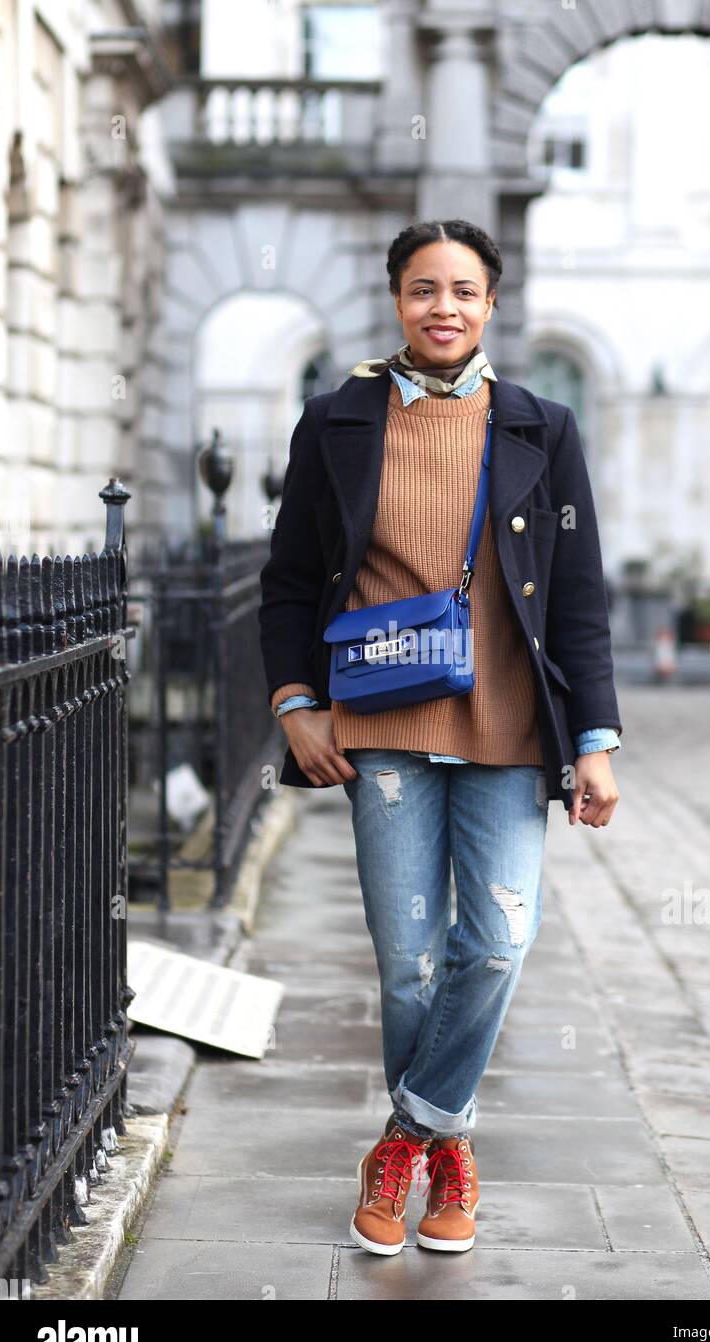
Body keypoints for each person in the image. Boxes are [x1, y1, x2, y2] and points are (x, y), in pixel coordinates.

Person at [258, 219, 622, 1257]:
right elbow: (287, 583)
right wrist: (295, 702)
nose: (443, 308)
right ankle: (451, 1157)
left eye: (463, 290)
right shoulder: (335, 420)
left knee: (498, 939)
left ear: (491, 304)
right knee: (409, 964)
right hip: (377, 727)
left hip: (510, 727)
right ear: (396, 300)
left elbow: (580, 592)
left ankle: (413, 1134)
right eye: (423, 289)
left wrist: (593, 737)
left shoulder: (540, 426)